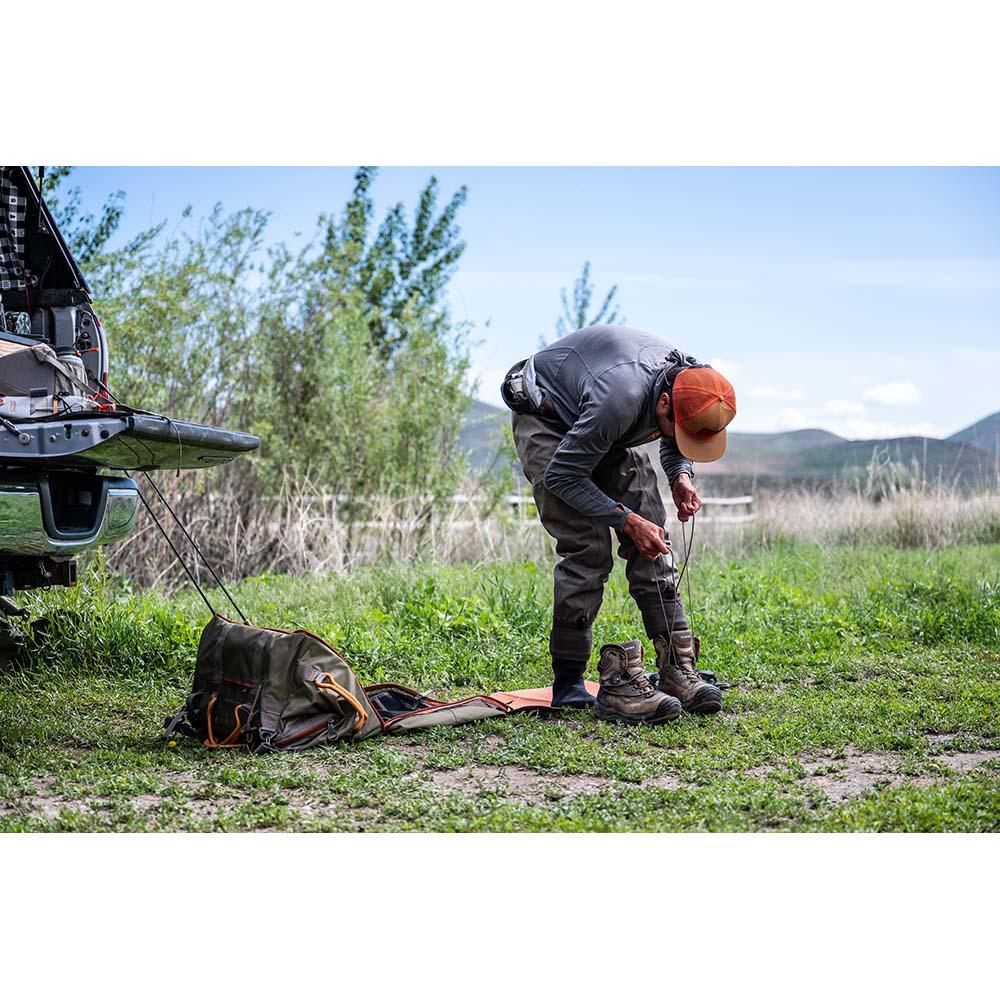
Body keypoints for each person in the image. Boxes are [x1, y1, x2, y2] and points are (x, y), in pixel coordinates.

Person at [501, 325, 737, 724]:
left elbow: (679, 434)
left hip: (602, 426)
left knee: (653, 535)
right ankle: (570, 681)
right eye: (675, 428)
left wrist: (680, 474)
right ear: (663, 404)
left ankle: (677, 670)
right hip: (548, 420)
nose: (679, 437)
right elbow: (563, 477)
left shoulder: (696, 381)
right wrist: (626, 521)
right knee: (587, 547)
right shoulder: (620, 397)